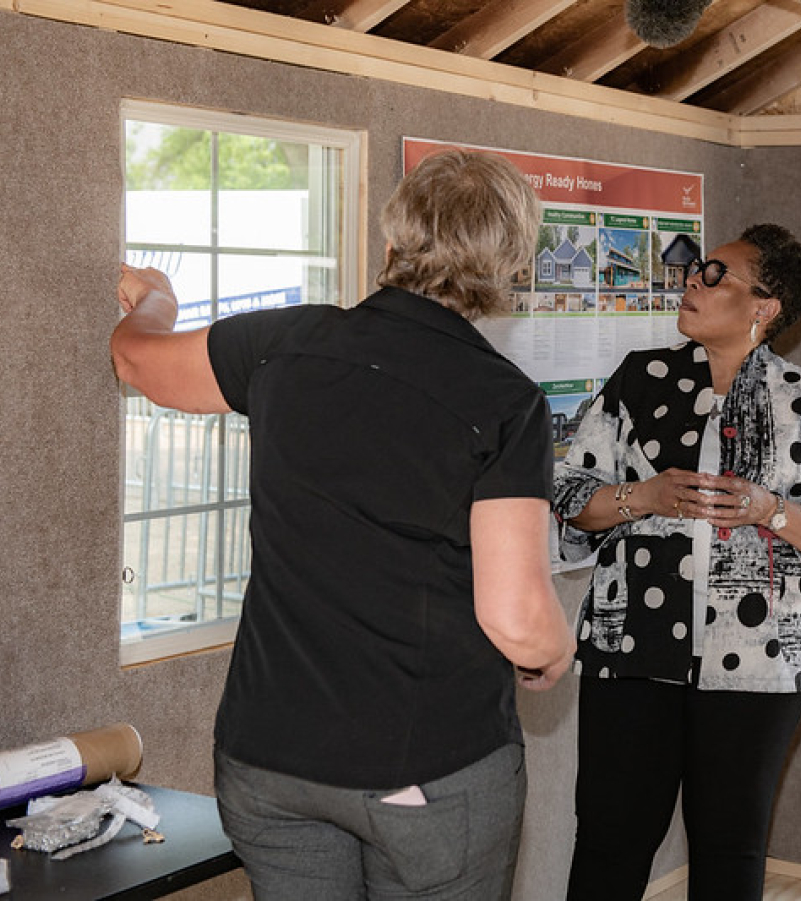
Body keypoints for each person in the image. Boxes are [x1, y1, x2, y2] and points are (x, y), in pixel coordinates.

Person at [110, 149, 576, 900]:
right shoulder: (504, 401)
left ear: (392, 240)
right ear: (509, 271)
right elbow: (518, 621)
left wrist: (158, 295)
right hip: (422, 769)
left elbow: (137, 361)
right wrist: (556, 649)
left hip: (271, 761)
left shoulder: (284, 342)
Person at [553, 223, 801, 901]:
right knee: (610, 843)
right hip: (631, 651)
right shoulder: (638, 379)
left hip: (761, 665)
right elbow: (570, 496)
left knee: (730, 853)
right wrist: (639, 495)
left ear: (765, 306)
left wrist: (771, 510)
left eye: (713, 274)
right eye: (695, 270)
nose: (691, 282)